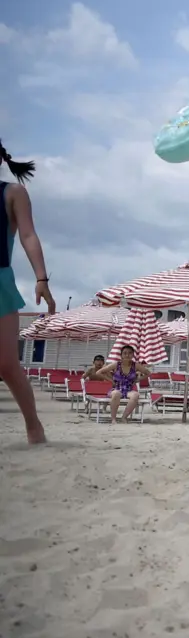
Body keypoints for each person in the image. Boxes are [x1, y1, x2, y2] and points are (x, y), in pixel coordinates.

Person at [0, 143, 53, 444]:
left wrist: (41, 278)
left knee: (7, 364)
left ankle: (33, 425)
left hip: (0, 279)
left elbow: (28, 235)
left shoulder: (12, 193)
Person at [96, 345, 153, 424]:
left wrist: (138, 379)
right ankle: (113, 419)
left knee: (135, 395)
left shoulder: (135, 365)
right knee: (116, 393)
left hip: (129, 389)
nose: (127, 355)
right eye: (125, 353)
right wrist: (111, 380)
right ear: (121, 355)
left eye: (130, 353)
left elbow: (148, 373)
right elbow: (99, 372)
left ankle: (124, 417)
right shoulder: (116, 364)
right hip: (116, 388)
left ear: (133, 355)